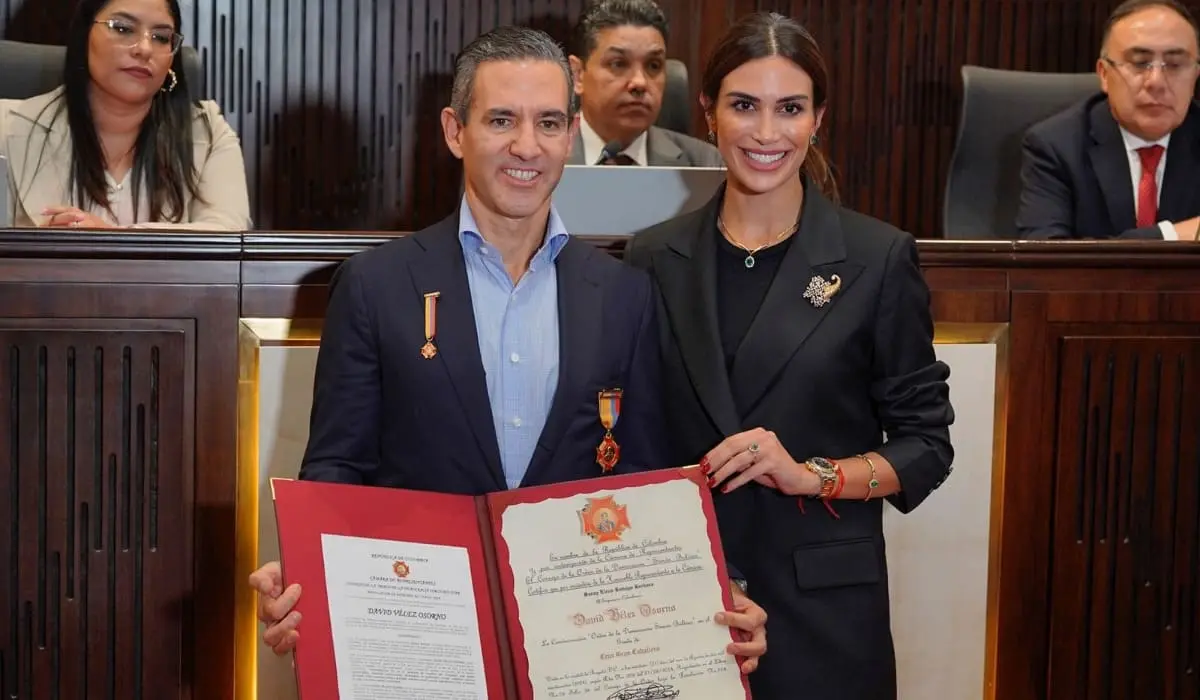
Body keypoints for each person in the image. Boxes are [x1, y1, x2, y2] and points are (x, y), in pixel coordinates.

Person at [248, 25, 767, 674]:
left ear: (571, 133)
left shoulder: (625, 294)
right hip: (423, 638)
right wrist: (303, 568)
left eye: (549, 122)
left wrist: (716, 592)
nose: (528, 146)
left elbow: (650, 484)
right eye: (501, 120)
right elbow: (337, 469)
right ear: (454, 130)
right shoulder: (376, 287)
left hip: (579, 644)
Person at [625, 12, 955, 700]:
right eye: (744, 106)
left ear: (818, 119)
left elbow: (927, 446)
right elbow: (635, 439)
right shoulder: (654, 255)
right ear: (710, 114)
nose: (767, 134)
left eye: (790, 109)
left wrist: (814, 476)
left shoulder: (877, 257)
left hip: (825, 617)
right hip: (689, 599)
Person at [0, 0, 251, 230]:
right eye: (122, 28)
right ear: (84, 35)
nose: (144, 49)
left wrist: (110, 239)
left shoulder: (207, 131)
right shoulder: (8, 127)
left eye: (161, 37)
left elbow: (229, 234)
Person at [1017, 0, 1200, 241]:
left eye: (1175, 65)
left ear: (1195, 75)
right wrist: (1171, 234)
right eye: (1140, 63)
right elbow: (1045, 259)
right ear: (1104, 74)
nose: (1156, 81)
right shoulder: (1055, 146)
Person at [567, 0, 722, 166]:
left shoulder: (706, 163)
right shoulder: (542, 158)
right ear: (578, 75)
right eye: (618, 64)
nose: (640, 82)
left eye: (653, 65)